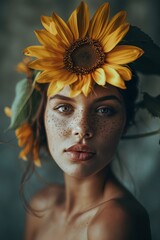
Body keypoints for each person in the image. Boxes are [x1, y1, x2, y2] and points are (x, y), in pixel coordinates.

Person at [7, 1, 160, 239]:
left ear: (127, 120)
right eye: (64, 107)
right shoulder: (42, 206)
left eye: (104, 111)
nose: (81, 129)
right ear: (41, 115)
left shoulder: (115, 222)